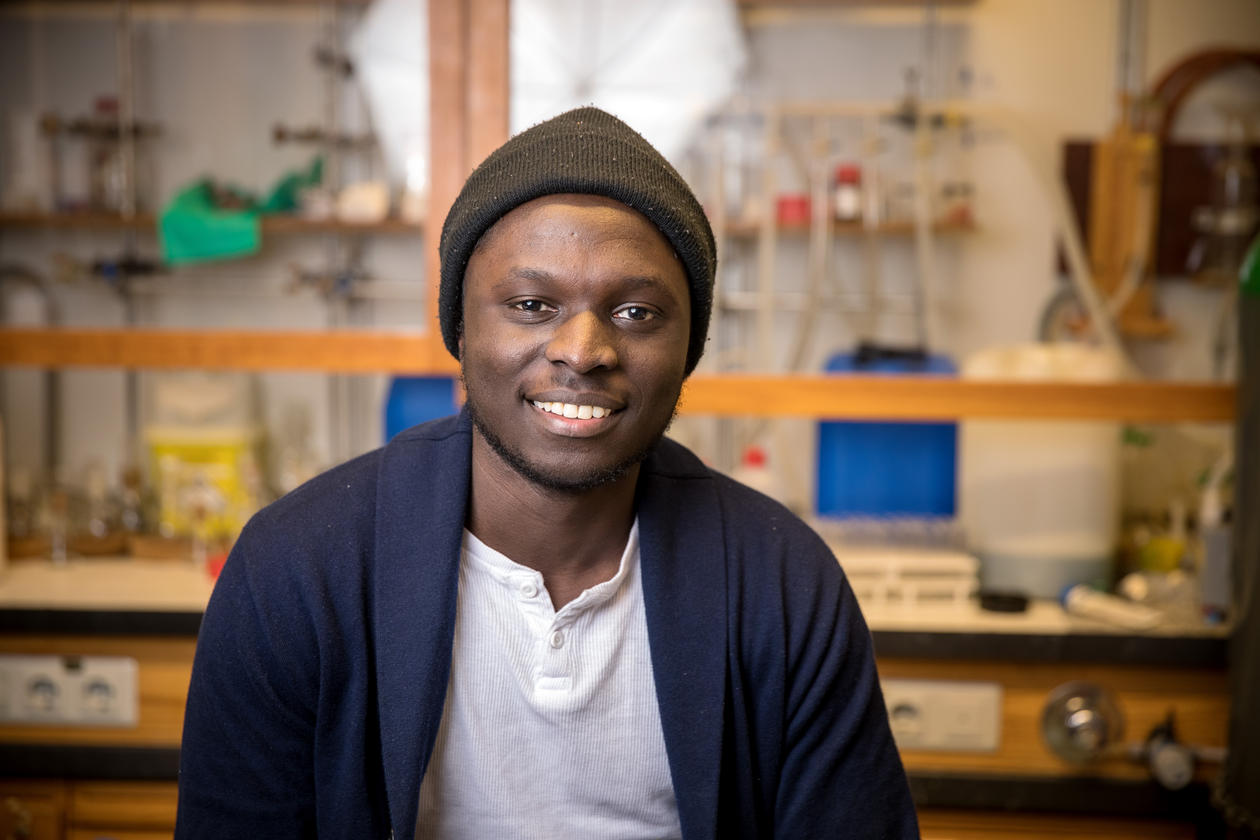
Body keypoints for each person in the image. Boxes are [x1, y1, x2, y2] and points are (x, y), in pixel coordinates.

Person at [175, 107, 919, 839]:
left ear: (690, 346)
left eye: (636, 313)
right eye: (532, 304)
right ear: (459, 328)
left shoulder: (782, 583)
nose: (583, 350)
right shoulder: (296, 571)